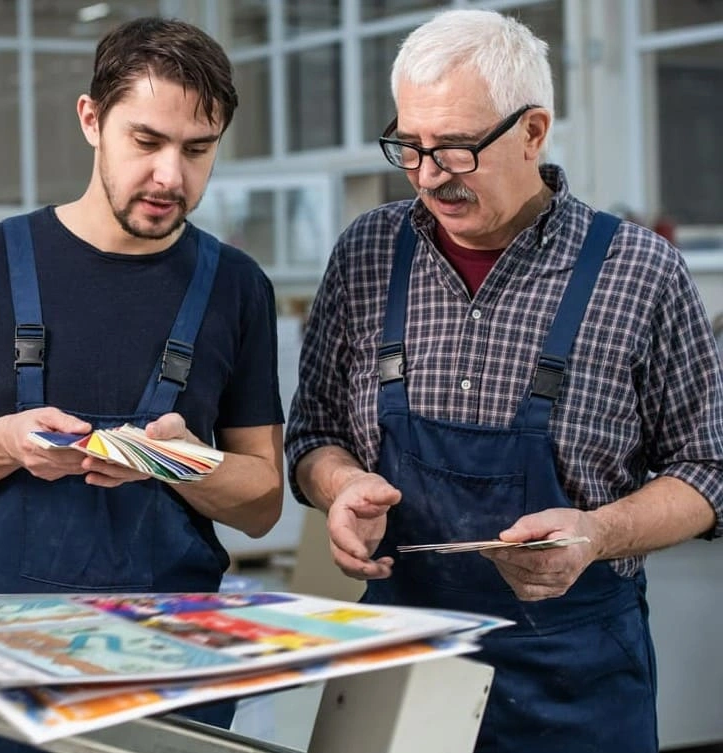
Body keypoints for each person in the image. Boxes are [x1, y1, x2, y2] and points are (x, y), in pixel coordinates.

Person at [285, 9, 723, 753]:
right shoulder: (366, 253)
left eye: (455, 148)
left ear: (533, 131)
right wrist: (338, 488)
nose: (429, 176)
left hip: (573, 682)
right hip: (398, 662)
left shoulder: (640, 271)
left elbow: (709, 470)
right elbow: (314, 433)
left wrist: (598, 532)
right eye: (410, 146)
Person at [0, 16, 285, 753]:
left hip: (171, 668)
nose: (170, 176)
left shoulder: (236, 287)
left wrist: (172, 459)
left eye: (198, 150)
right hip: (1, 665)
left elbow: (261, 500)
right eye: (147, 142)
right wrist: (1, 441)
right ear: (91, 119)